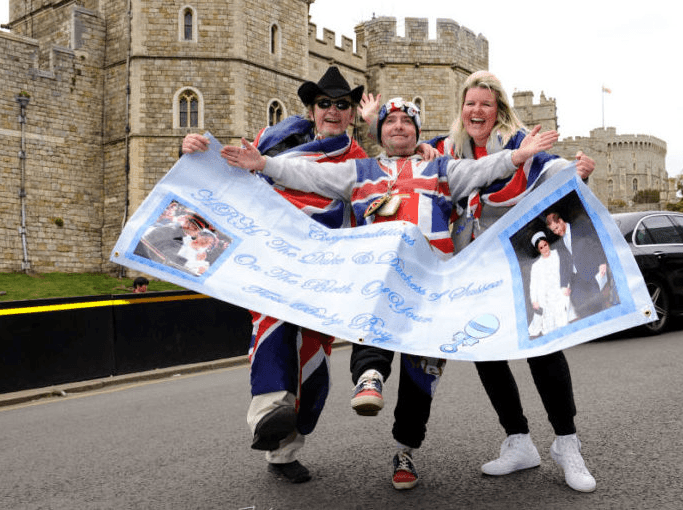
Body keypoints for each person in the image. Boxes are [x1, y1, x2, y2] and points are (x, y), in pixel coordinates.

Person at [220, 96, 561, 490]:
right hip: (378, 283)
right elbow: (308, 174)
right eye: (391, 121)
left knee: (421, 378)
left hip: (430, 288)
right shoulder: (359, 171)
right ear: (380, 132)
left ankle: (405, 450)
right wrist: (263, 164)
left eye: (406, 121)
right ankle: (369, 378)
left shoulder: (442, 169)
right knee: (372, 336)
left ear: (417, 132)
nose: (399, 126)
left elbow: (483, 168)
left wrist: (518, 156)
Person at [181, 66, 367, 483]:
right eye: (324, 103)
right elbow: (228, 170)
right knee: (275, 332)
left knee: (313, 365)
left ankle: (286, 444)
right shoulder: (274, 141)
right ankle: (268, 417)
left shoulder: (361, 163)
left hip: (324, 273)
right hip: (273, 262)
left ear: (352, 113)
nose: (333, 111)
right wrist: (193, 150)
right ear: (311, 110)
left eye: (342, 104)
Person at [415, 71, 598, 493]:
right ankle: (518, 441)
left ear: (498, 108)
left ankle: (567, 443)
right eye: (470, 103)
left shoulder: (520, 144)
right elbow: (413, 165)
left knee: (543, 350)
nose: (477, 110)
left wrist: (580, 172)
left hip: (522, 263)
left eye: (486, 103)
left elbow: (557, 172)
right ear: (461, 109)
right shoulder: (447, 148)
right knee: (488, 352)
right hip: (474, 268)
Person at [545, 209, 610, 319]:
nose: (556, 232)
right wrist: (563, 285)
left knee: (597, 307)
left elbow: (595, 243)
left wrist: (602, 262)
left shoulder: (580, 228)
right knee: (582, 311)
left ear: (560, 221)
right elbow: (563, 265)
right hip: (575, 281)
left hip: (591, 275)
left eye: (556, 228)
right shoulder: (559, 242)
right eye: (553, 231)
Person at [527, 232, 571, 336]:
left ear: (548, 243)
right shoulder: (536, 265)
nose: (544, 249)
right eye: (541, 247)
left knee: (563, 324)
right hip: (546, 299)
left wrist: (566, 286)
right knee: (549, 329)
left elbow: (566, 271)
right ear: (538, 250)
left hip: (560, 294)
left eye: (545, 245)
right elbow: (533, 285)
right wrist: (534, 301)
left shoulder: (558, 255)